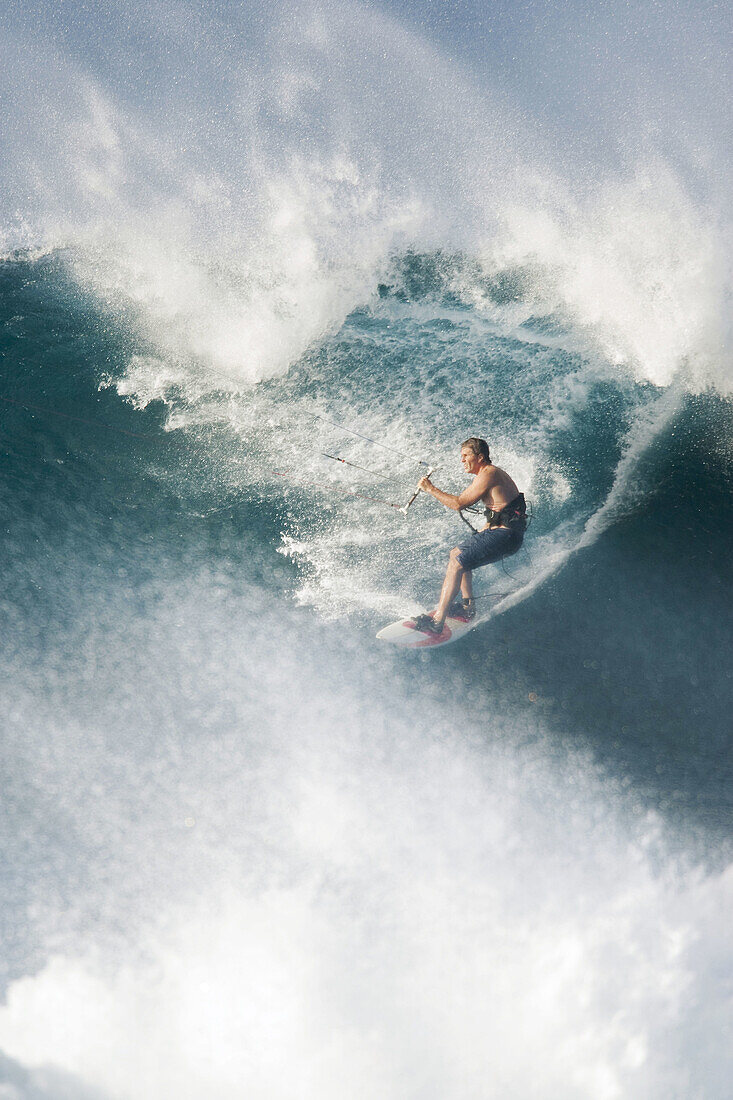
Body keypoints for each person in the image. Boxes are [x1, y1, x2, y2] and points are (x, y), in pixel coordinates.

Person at [410, 437, 527, 635]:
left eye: (466, 456)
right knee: (456, 553)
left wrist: (430, 489)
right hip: (503, 533)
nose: (462, 460)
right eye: (461, 456)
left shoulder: (489, 473)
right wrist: (482, 534)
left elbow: (459, 503)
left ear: (480, 457)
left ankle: (437, 622)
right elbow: (498, 512)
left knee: (458, 562)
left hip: (507, 536)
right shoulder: (488, 474)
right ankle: (468, 607)